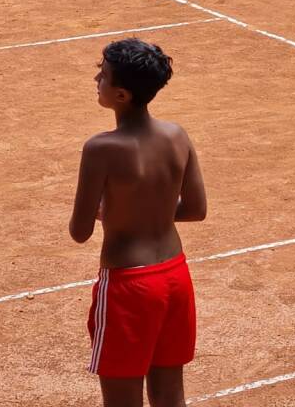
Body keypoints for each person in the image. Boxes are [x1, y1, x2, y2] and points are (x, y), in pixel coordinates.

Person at [70, 38, 207, 407]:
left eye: (104, 74)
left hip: (129, 288)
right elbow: (195, 208)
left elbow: (79, 231)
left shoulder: (100, 149)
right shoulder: (177, 136)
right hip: (175, 278)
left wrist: (114, 212)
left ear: (122, 95)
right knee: (169, 396)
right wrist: (150, 208)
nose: (96, 77)